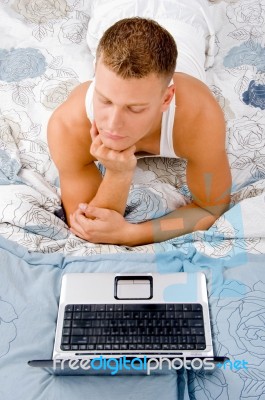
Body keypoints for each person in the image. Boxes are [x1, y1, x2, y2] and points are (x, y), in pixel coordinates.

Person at [47, 5, 231, 246]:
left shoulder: (199, 117)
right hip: (112, 11)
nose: (113, 124)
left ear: (166, 98)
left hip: (184, 12)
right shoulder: (67, 126)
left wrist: (132, 234)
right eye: (105, 100)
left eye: (135, 108)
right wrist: (118, 173)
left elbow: (210, 208)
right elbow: (90, 225)